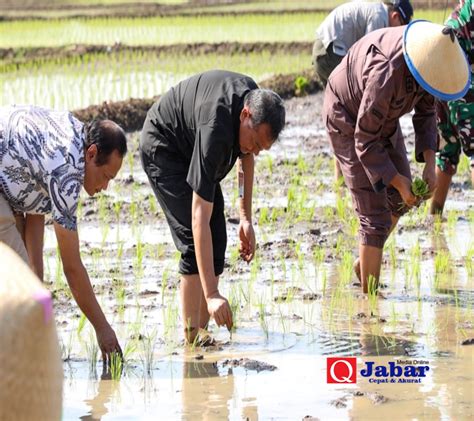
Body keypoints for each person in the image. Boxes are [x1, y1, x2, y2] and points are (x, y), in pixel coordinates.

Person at [323, 21, 470, 294]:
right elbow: (365, 139)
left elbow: (426, 114)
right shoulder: (387, 73)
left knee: (399, 203)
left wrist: (429, 163)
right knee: (374, 215)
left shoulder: (429, 69)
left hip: (382, 119)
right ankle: (371, 305)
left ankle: (366, 261)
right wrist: (398, 182)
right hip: (347, 117)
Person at [140, 70, 285, 343]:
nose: (253, 151)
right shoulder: (216, 131)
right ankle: (191, 338)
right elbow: (197, 218)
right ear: (244, 115)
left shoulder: (254, 101)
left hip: (192, 145)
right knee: (192, 241)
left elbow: (245, 158)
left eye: (260, 148)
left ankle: (201, 331)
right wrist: (212, 295)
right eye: (254, 142)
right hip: (165, 147)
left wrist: (245, 217)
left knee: (217, 236)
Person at [0, 105, 127, 361]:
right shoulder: (66, 172)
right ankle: (20, 371)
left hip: (9, 179)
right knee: (20, 288)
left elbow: (35, 209)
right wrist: (103, 328)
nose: (105, 186)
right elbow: (71, 266)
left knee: (29, 286)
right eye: (105, 176)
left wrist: (39, 286)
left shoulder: (74, 133)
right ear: (91, 154)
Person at [312, 0, 413, 183]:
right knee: (350, 109)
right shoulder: (378, 17)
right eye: (401, 27)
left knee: (346, 110)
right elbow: (371, 58)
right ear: (395, 16)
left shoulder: (380, 15)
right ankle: (355, 172)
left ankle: (343, 175)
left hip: (329, 49)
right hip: (329, 51)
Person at [430, 0, 474, 215]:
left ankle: (434, 216)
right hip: (462, 79)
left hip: (440, 80)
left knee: (447, 151)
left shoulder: (460, 11)